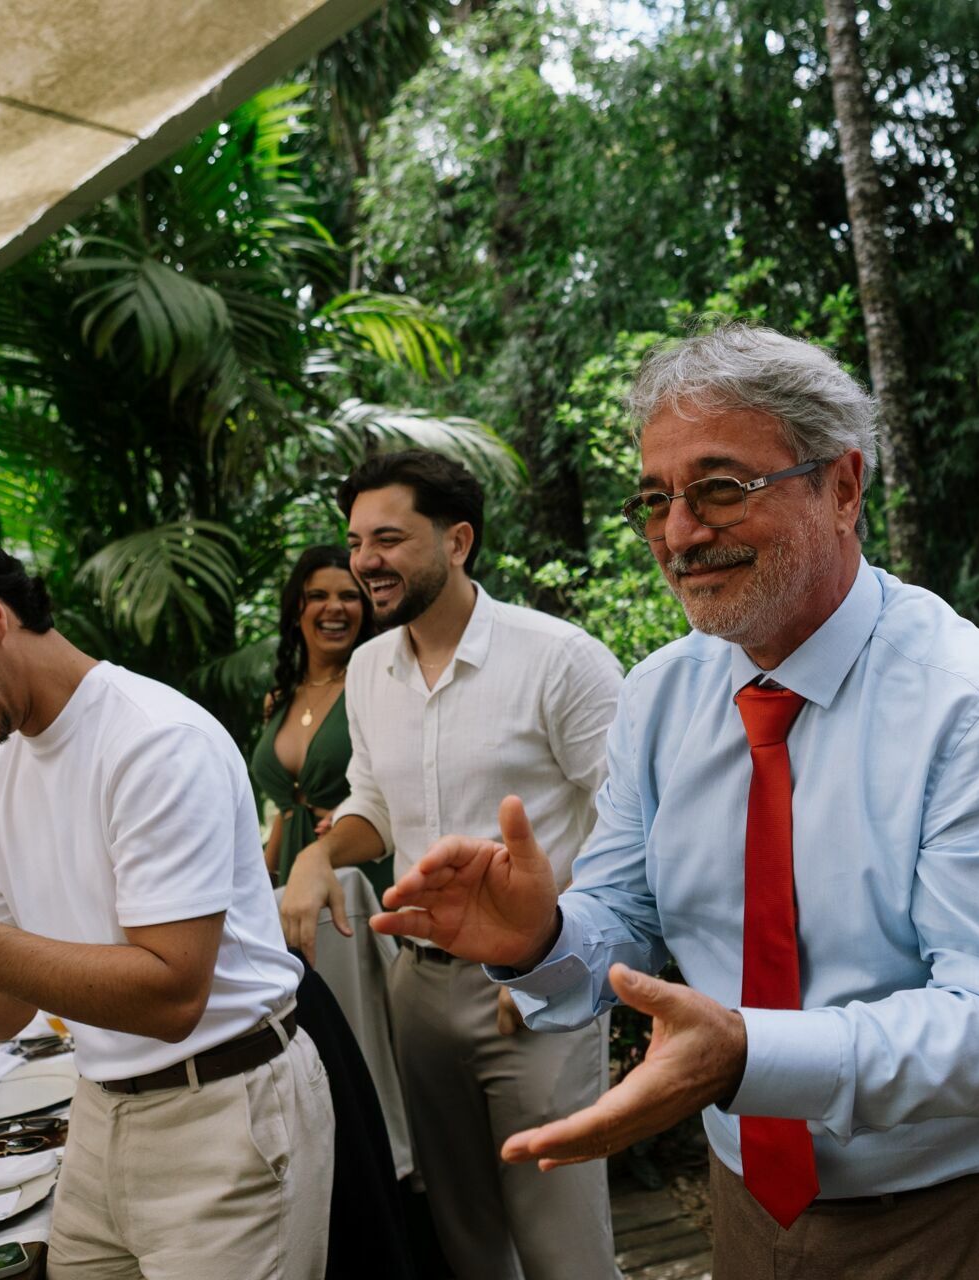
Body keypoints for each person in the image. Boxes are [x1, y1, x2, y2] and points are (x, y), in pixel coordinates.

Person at [373, 325, 979, 1280]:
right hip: (747, 1192)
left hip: (942, 1207)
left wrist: (748, 1053)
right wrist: (540, 938)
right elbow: (623, 916)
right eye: (655, 501)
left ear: (842, 488)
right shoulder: (663, 695)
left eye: (722, 488)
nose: (680, 534)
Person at [0, 510, 333, 1280]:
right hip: (100, 1110)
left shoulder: (152, 739)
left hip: (225, 1108)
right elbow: (3, 1004)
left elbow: (171, 995)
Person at [278, 450, 625, 1280]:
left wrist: (548, 962)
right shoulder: (368, 669)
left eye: (388, 539)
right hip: (418, 986)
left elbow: (632, 823)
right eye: (357, 541)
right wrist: (319, 856)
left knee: (565, 1249)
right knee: (464, 1241)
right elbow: (373, 805)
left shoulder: (560, 658)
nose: (365, 562)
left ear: (458, 540)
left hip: (541, 981)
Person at [249, 545, 382, 892]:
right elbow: (289, 809)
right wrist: (262, 885)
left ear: (365, 610)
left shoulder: (379, 686)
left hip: (359, 877)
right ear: (298, 609)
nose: (334, 607)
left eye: (349, 596)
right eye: (318, 595)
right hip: (294, 878)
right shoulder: (278, 700)